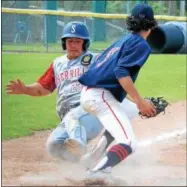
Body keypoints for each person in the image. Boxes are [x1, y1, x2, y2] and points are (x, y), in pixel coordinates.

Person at [5, 21, 104, 162]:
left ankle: (86, 152)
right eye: (70, 41)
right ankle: (87, 164)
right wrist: (25, 89)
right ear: (64, 43)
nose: (73, 45)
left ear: (85, 43)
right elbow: (43, 89)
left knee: (75, 121)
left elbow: (115, 75)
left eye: (78, 41)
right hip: (68, 119)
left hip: (91, 114)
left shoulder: (95, 59)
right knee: (54, 146)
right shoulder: (58, 64)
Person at [78, 3, 158, 176]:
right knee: (128, 142)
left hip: (89, 93)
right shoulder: (141, 45)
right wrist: (140, 101)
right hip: (100, 96)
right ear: (152, 24)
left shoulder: (123, 40)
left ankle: (94, 156)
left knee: (130, 111)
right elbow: (121, 72)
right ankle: (98, 172)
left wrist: (139, 104)